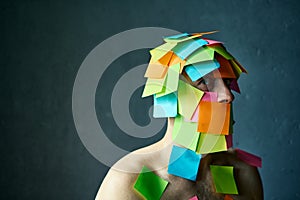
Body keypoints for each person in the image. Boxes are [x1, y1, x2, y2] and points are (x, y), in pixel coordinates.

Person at [95, 33, 263, 200]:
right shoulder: (127, 179)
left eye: (226, 83)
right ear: (169, 95)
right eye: (204, 82)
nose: (227, 96)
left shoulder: (242, 171)